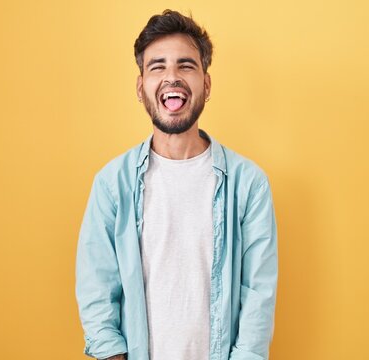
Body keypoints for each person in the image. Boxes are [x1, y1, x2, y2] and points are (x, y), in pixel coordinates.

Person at [75, 9, 278, 360]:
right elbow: (96, 289)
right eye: (157, 67)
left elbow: (258, 295)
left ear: (207, 84)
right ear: (141, 88)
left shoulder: (249, 185)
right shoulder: (112, 184)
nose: (172, 77)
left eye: (186, 65)